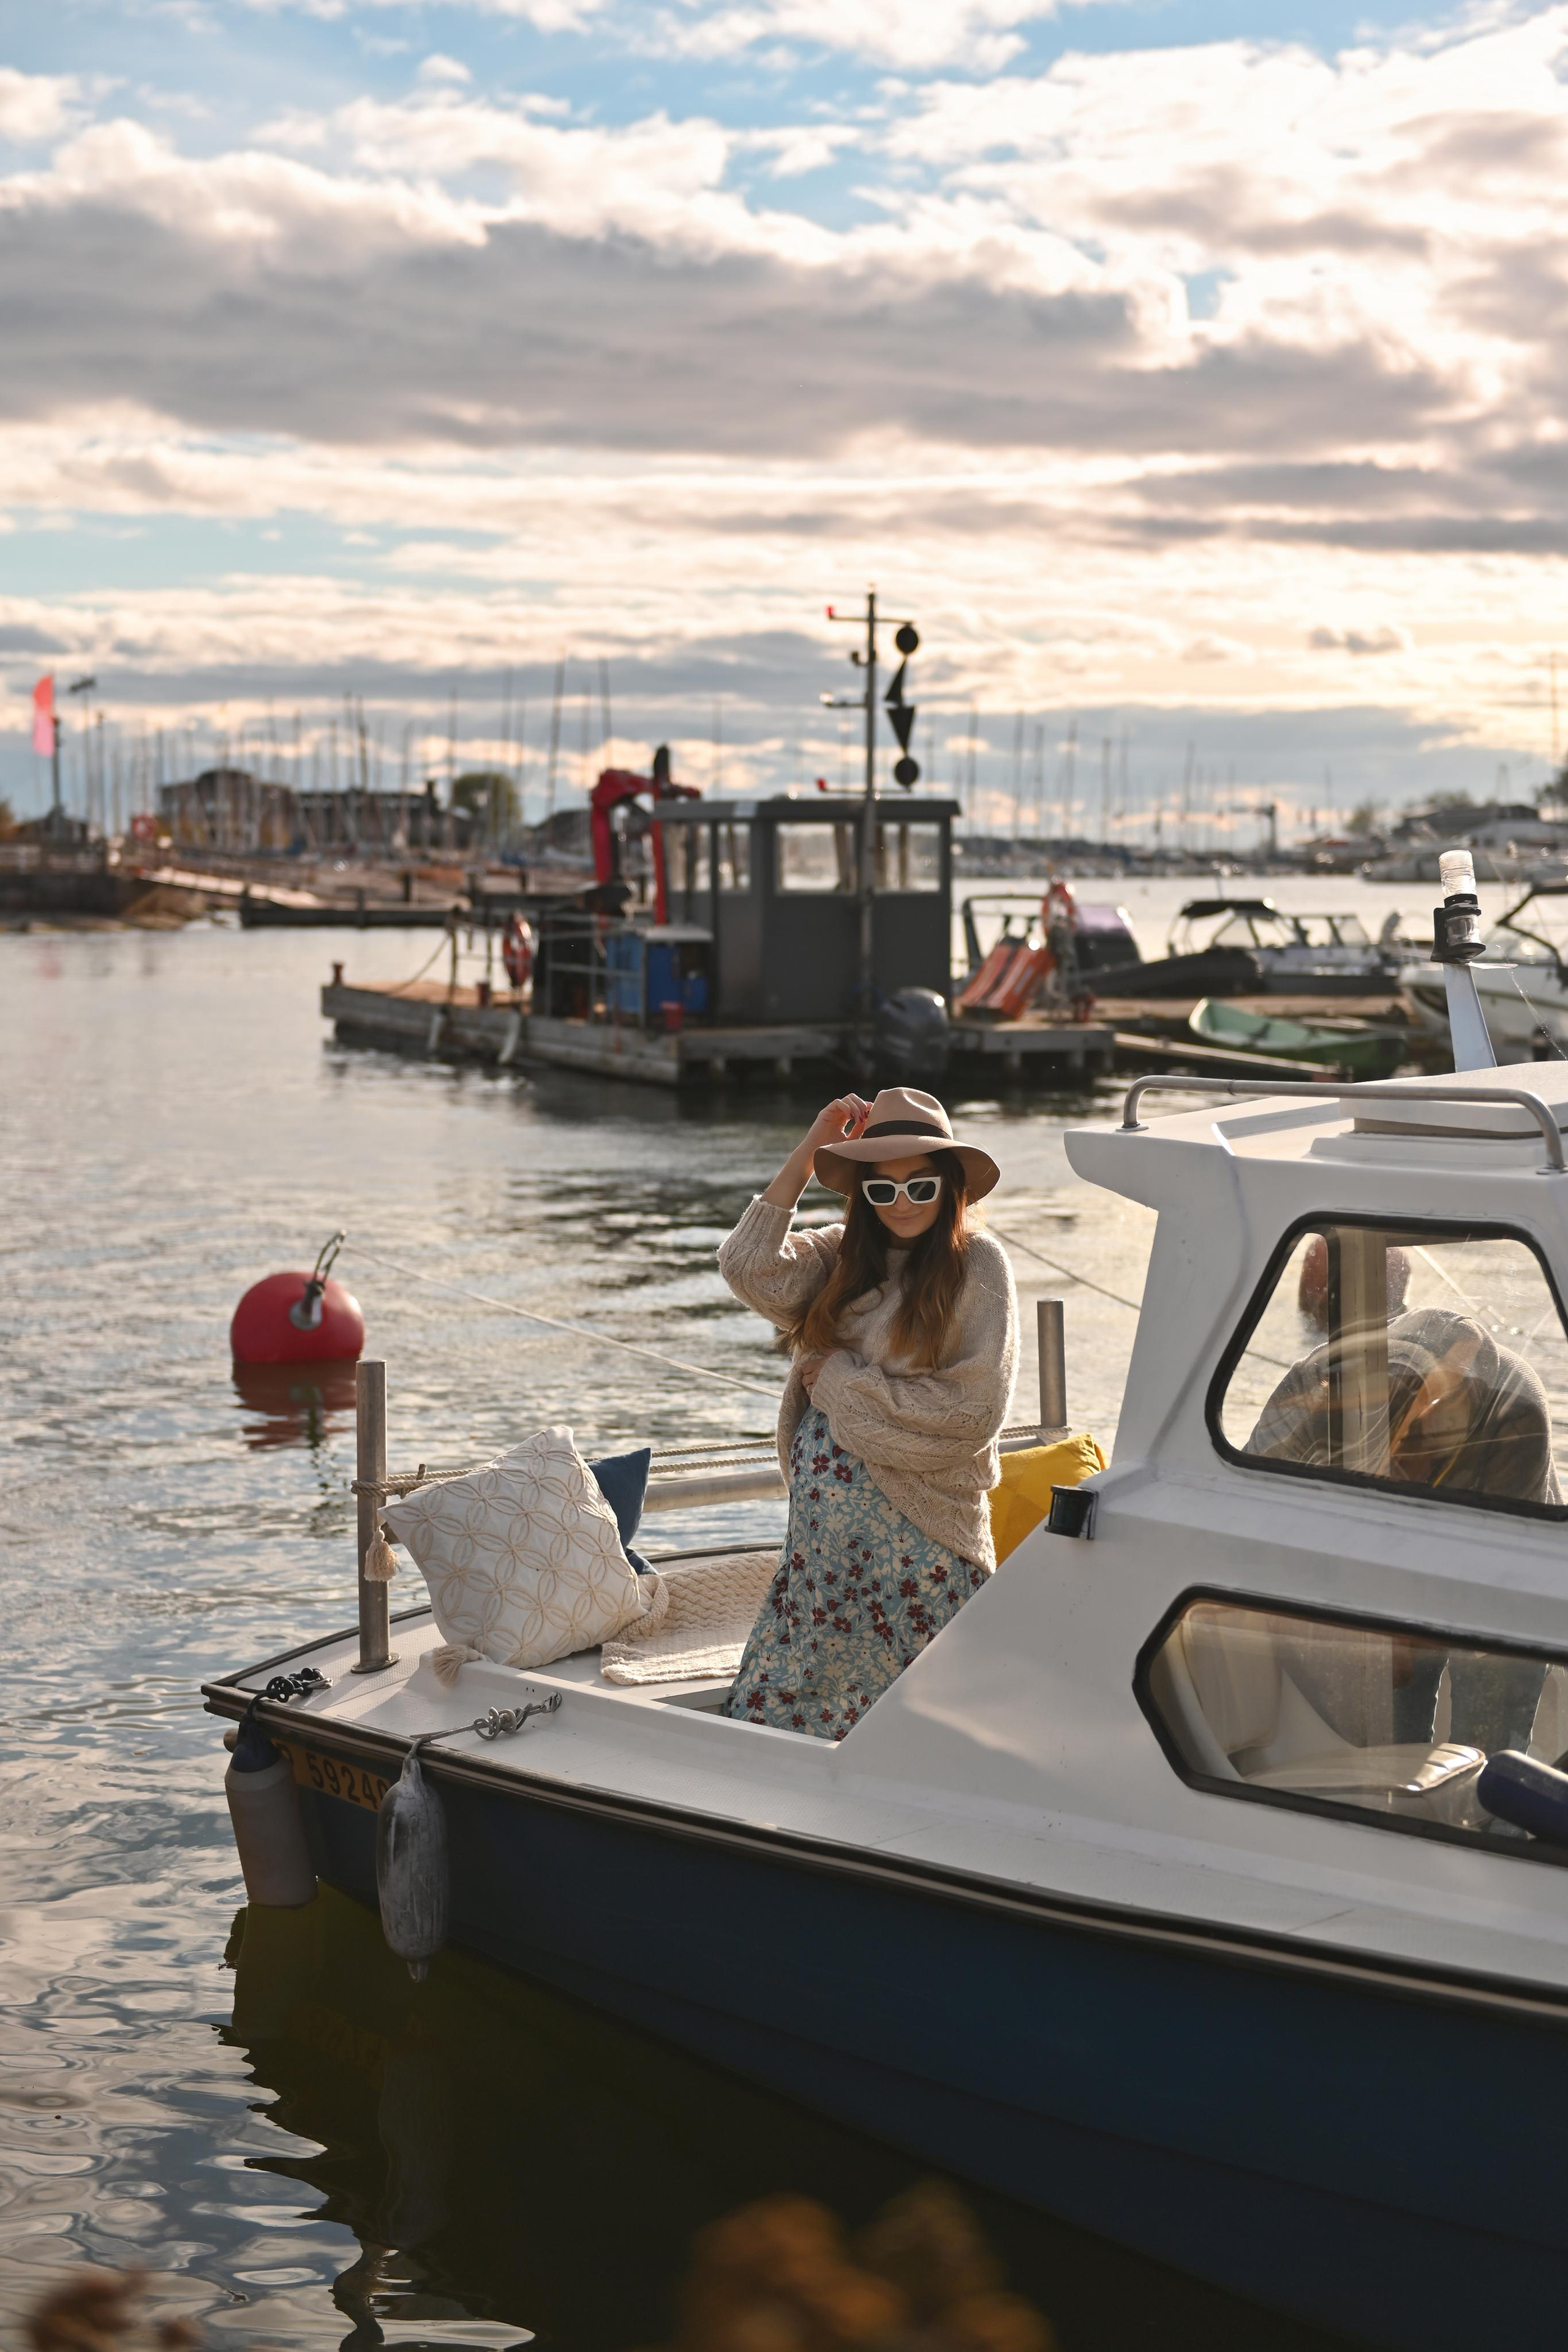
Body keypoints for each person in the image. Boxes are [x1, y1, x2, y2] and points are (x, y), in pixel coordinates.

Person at [716, 1087, 1019, 1741]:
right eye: (881, 1190)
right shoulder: (839, 1260)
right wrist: (811, 1147)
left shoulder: (979, 1267)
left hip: (921, 1554)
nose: (902, 1203)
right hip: (821, 1569)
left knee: (921, 1735)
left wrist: (842, 1383)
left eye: (919, 1186)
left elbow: (971, 1417)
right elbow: (747, 1267)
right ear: (861, 1197)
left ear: (949, 1187)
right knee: (783, 1734)